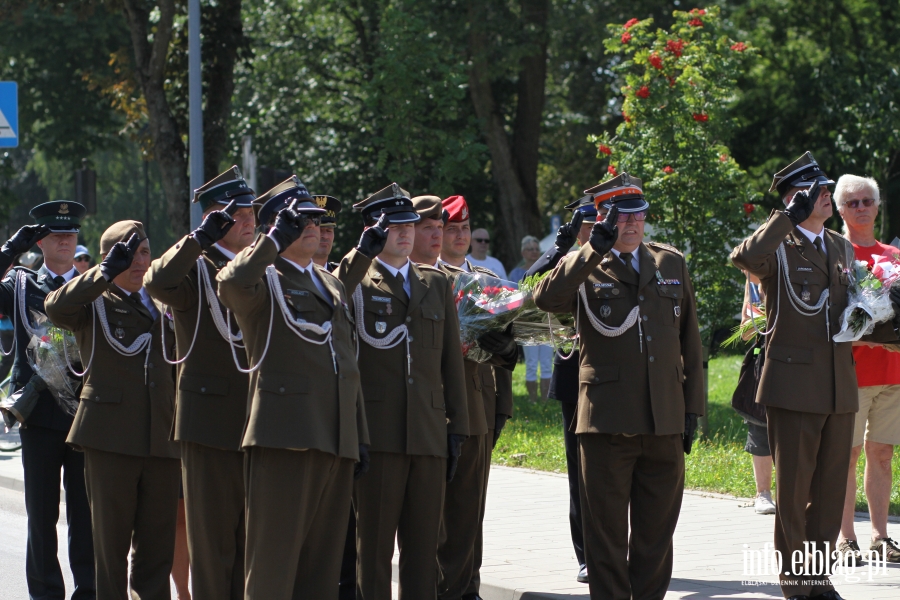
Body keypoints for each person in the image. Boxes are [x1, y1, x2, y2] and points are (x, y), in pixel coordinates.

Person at [731, 152, 900, 600]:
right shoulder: (780, 246)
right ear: (795, 199)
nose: (826, 197)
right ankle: (796, 585)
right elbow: (745, 256)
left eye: (826, 190)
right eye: (818, 192)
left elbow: (854, 313)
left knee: (827, 492)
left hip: (839, 385)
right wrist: (786, 218)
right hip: (793, 386)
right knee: (793, 491)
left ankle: (817, 578)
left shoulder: (840, 247)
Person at [534, 173, 704, 600]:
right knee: (606, 538)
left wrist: (692, 409)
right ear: (604, 220)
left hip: (663, 420)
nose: (631, 225)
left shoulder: (669, 263)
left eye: (638, 217)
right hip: (607, 422)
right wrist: (592, 248)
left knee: (655, 537)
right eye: (620, 218)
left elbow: (691, 341)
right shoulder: (585, 265)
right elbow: (546, 300)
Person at [217, 176, 369, 599]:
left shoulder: (331, 282)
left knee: (319, 569)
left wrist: (359, 435)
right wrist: (269, 243)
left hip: (335, 438)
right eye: (299, 219)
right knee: (273, 564)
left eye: (316, 219)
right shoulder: (265, 279)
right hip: (286, 437)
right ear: (276, 226)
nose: (313, 226)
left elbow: (346, 364)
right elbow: (229, 285)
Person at [336, 183, 468, 600]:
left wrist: (457, 426)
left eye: (410, 224)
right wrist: (361, 252)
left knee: (422, 548)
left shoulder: (434, 282)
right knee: (373, 549)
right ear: (373, 230)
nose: (406, 233)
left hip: (428, 433)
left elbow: (451, 361)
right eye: (394, 226)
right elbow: (333, 297)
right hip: (378, 432)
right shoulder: (356, 278)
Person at [45, 220, 181, 600]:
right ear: (108, 258)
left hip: (162, 439)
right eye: (128, 253)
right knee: (110, 548)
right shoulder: (93, 303)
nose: (139, 261)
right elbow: (55, 307)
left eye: (144, 252)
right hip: (111, 439)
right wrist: (103, 273)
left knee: (157, 550)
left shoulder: (163, 304)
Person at [143, 166, 256, 599]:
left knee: (250, 541)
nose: (249, 219)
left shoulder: (260, 265)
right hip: (209, 422)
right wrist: (199, 239)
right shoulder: (197, 266)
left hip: (259, 418)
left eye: (251, 211)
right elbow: (158, 280)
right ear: (215, 217)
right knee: (212, 544)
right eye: (237, 213)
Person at [410, 194, 515, 600]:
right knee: (440, 514)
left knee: (472, 510)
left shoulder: (484, 280)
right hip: (435, 411)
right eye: (446, 228)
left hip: (478, 407)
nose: (454, 236)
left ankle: (468, 586)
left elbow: (504, 345)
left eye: (461, 229)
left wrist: (503, 398)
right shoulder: (419, 278)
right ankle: (444, 588)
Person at [0, 201, 95, 600]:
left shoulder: (94, 285)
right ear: (40, 241)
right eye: (56, 234)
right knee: (41, 515)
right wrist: (8, 251)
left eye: (71, 233)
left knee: (85, 515)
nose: (65, 240)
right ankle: (45, 593)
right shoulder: (20, 284)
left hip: (86, 413)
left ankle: (88, 590)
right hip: (39, 415)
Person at [524, 195, 592, 583]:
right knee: (579, 470)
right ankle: (585, 553)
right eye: (583, 223)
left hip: (619, 377)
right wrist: (560, 246)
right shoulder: (565, 259)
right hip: (573, 372)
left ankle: (620, 548)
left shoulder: (626, 258)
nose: (592, 229)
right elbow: (528, 284)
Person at [833, 174, 900, 564]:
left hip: (892, 372)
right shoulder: (832, 253)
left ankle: (880, 536)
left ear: (877, 207)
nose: (860, 208)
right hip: (850, 374)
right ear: (840, 209)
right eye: (852, 202)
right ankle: (845, 539)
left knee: (882, 455)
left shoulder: (893, 257)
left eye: (866, 201)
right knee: (848, 454)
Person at [739, 273, 776, 516]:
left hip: (801, 362)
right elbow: (745, 331)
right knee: (760, 425)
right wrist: (760, 321)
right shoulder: (754, 278)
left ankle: (795, 492)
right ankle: (763, 493)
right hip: (766, 361)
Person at [510, 235, 552, 402]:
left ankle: (545, 400)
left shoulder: (548, 270)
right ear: (523, 252)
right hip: (527, 322)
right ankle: (532, 400)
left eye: (536, 249)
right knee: (532, 363)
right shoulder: (516, 273)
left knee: (547, 362)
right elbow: (512, 297)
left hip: (546, 320)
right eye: (530, 249)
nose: (534, 252)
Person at [312, 194, 343, 271]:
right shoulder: (290, 275)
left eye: (329, 230)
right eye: (320, 230)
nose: (325, 236)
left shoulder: (342, 275)